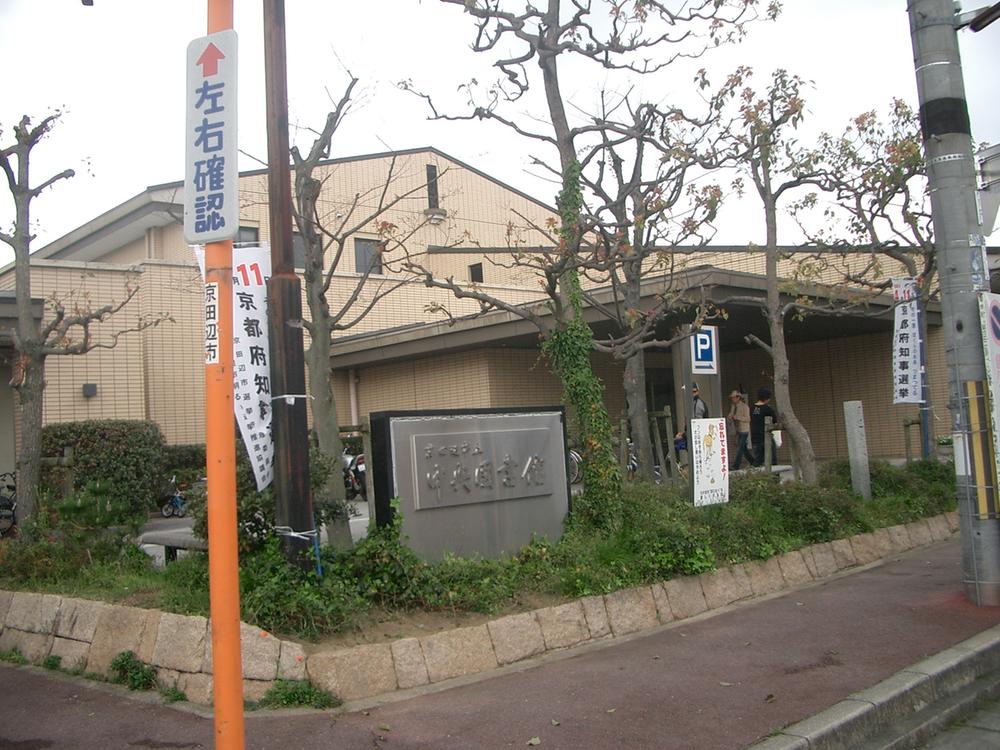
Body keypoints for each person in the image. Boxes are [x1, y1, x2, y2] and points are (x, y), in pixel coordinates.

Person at [750, 387, 778, 467]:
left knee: (758, 459)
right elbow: (774, 420)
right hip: (765, 436)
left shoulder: (752, 408)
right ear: (767, 398)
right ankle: (773, 475)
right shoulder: (767, 409)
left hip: (755, 437)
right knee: (772, 459)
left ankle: (755, 473)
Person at [728, 389, 752, 469]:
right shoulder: (733, 406)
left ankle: (736, 465)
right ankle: (753, 461)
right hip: (737, 429)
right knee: (743, 448)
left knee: (740, 448)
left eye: (734, 397)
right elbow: (731, 414)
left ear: (738, 397)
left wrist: (737, 417)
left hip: (744, 430)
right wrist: (730, 417)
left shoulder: (744, 407)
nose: (732, 399)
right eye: (732, 398)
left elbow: (748, 419)